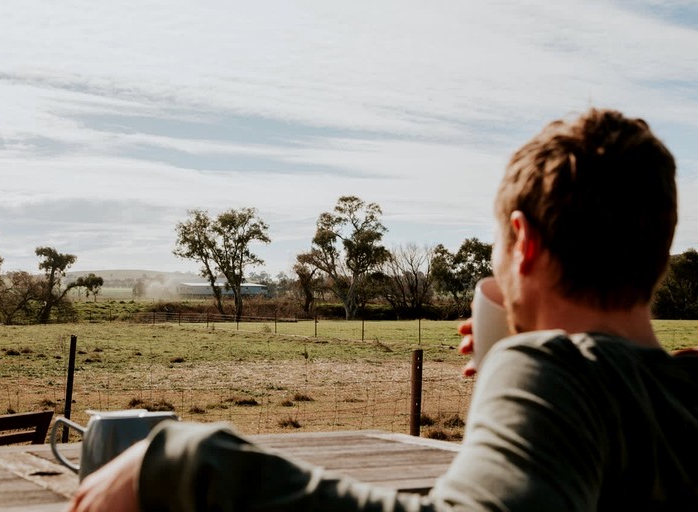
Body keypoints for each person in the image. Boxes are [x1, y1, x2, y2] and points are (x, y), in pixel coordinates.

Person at [67, 108, 698, 511]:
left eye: (499, 251)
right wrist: (507, 402)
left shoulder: (555, 372)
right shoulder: (676, 398)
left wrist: (185, 462)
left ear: (524, 242)